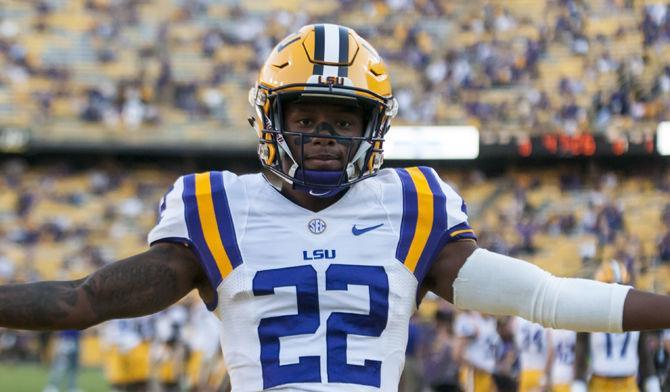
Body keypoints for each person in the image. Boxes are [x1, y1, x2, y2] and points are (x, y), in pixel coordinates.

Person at [1, 23, 670, 391]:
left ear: (371, 130)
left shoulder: (413, 205)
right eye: (307, 117)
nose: (323, 135)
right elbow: (82, 300)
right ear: (271, 118)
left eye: (344, 121)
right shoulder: (218, 207)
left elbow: (544, 298)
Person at [573, 260, 660, 392]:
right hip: (600, 383)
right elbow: (581, 353)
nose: (616, 294)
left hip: (628, 383)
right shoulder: (589, 313)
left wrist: (652, 384)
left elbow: (644, 354)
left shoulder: (636, 313)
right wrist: (578, 383)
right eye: (610, 288)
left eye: (620, 287)